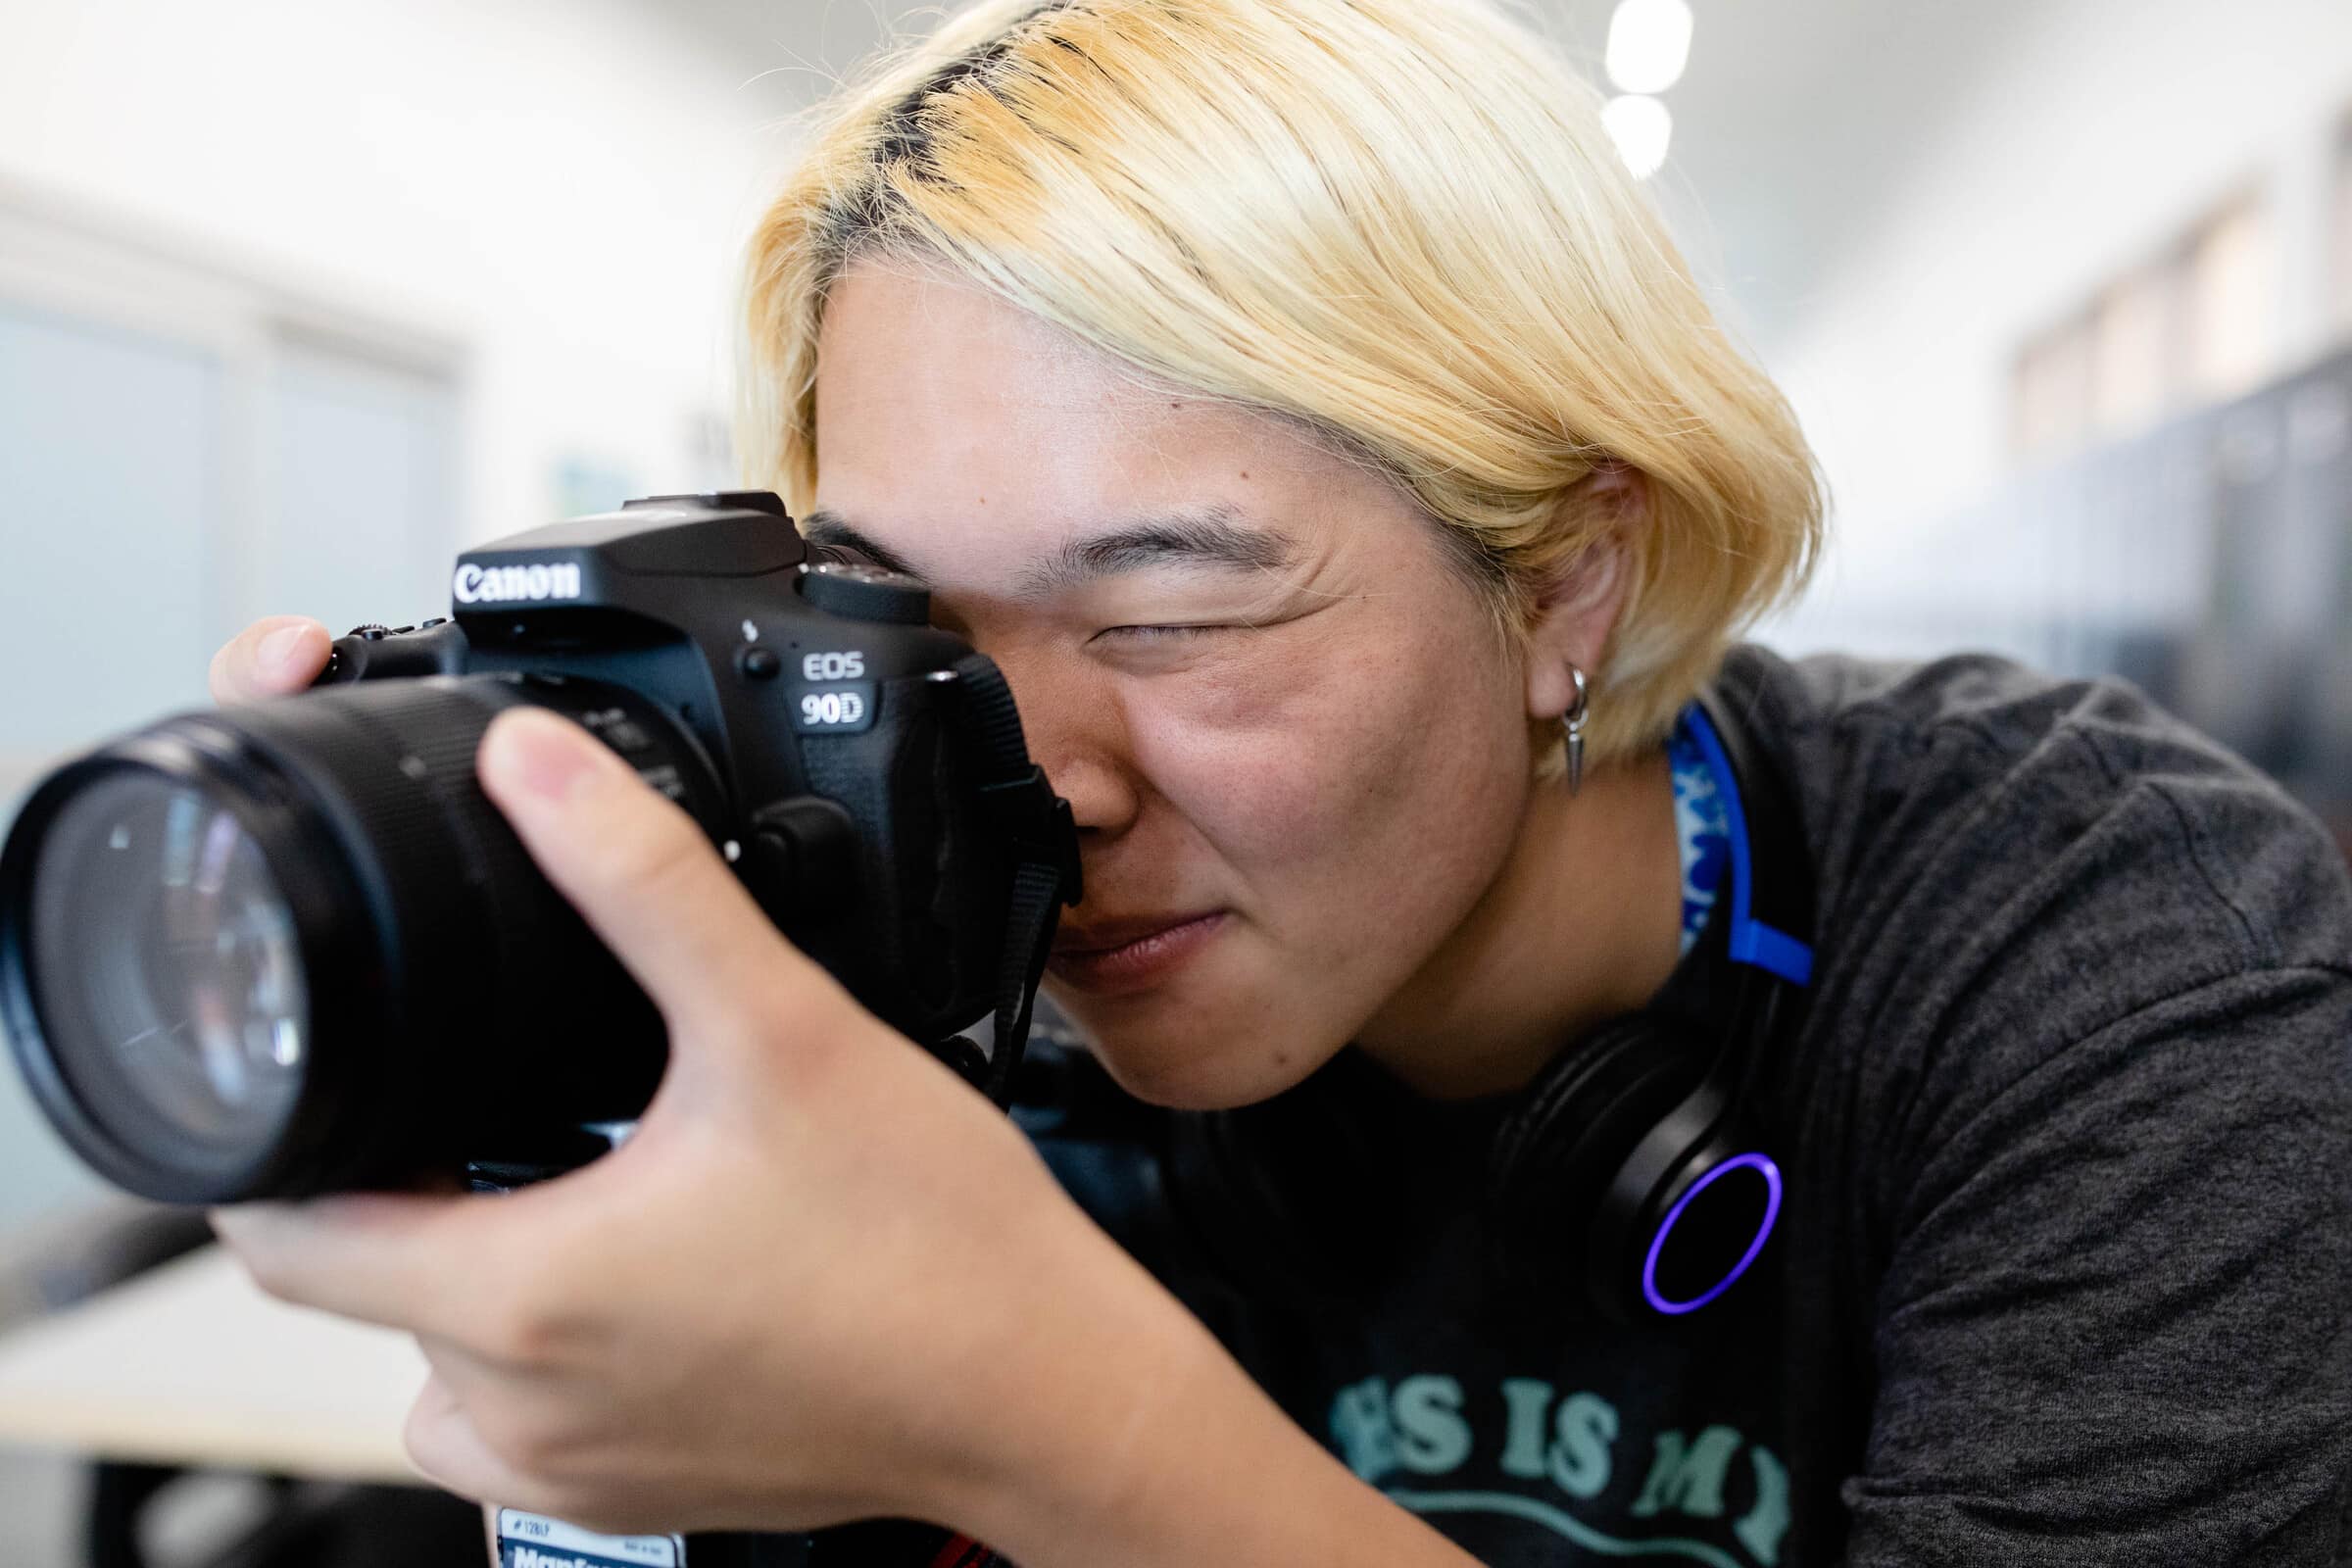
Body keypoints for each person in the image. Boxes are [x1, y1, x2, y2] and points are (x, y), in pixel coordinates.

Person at [206, 0, 2352, 1562]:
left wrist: (1038, 1414)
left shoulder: (2108, 950)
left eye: (1166, 609)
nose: (1037, 780)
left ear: (1562, 578)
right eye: (923, 634)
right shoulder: (911, 945)